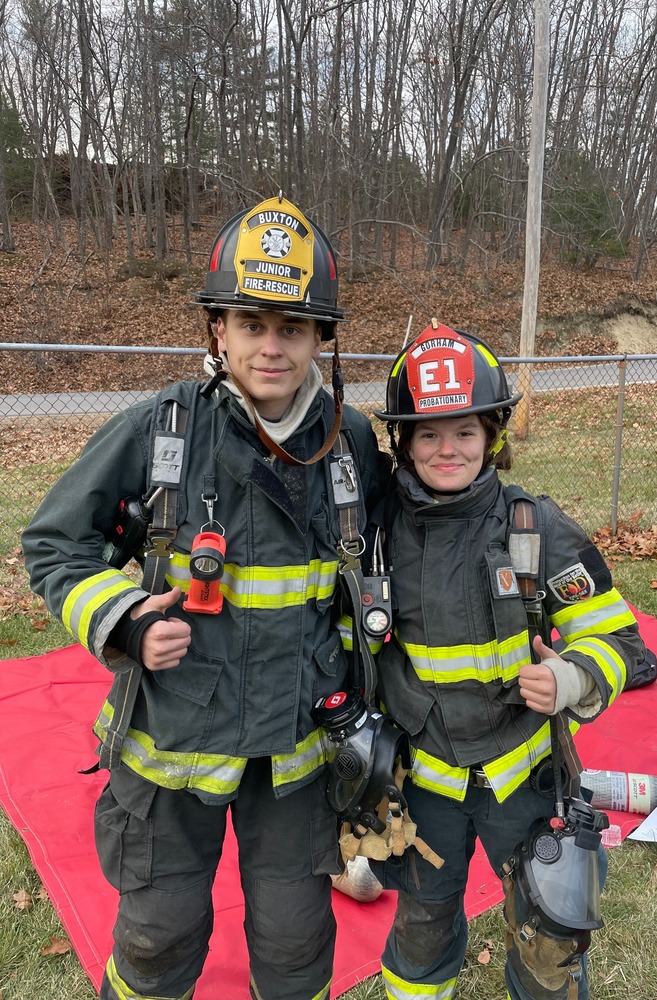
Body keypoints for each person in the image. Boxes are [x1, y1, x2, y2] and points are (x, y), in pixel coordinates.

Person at [21, 196, 391, 1000]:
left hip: (298, 756)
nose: (270, 346)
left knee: (296, 949)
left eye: (291, 328)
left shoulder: (350, 443)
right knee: (156, 940)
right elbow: (53, 543)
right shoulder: (160, 432)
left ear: (319, 340)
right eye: (251, 324)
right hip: (171, 744)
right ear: (216, 330)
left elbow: (404, 549)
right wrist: (121, 619)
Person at [369, 319, 646, 1000]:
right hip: (424, 785)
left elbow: (619, 643)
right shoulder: (376, 534)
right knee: (422, 924)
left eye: (465, 432)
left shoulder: (535, 526)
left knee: (549, 932)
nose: (446, 449)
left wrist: (569, 674)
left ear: (492, 434)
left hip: (526, 785)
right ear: (400, 441)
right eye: (427, 434)